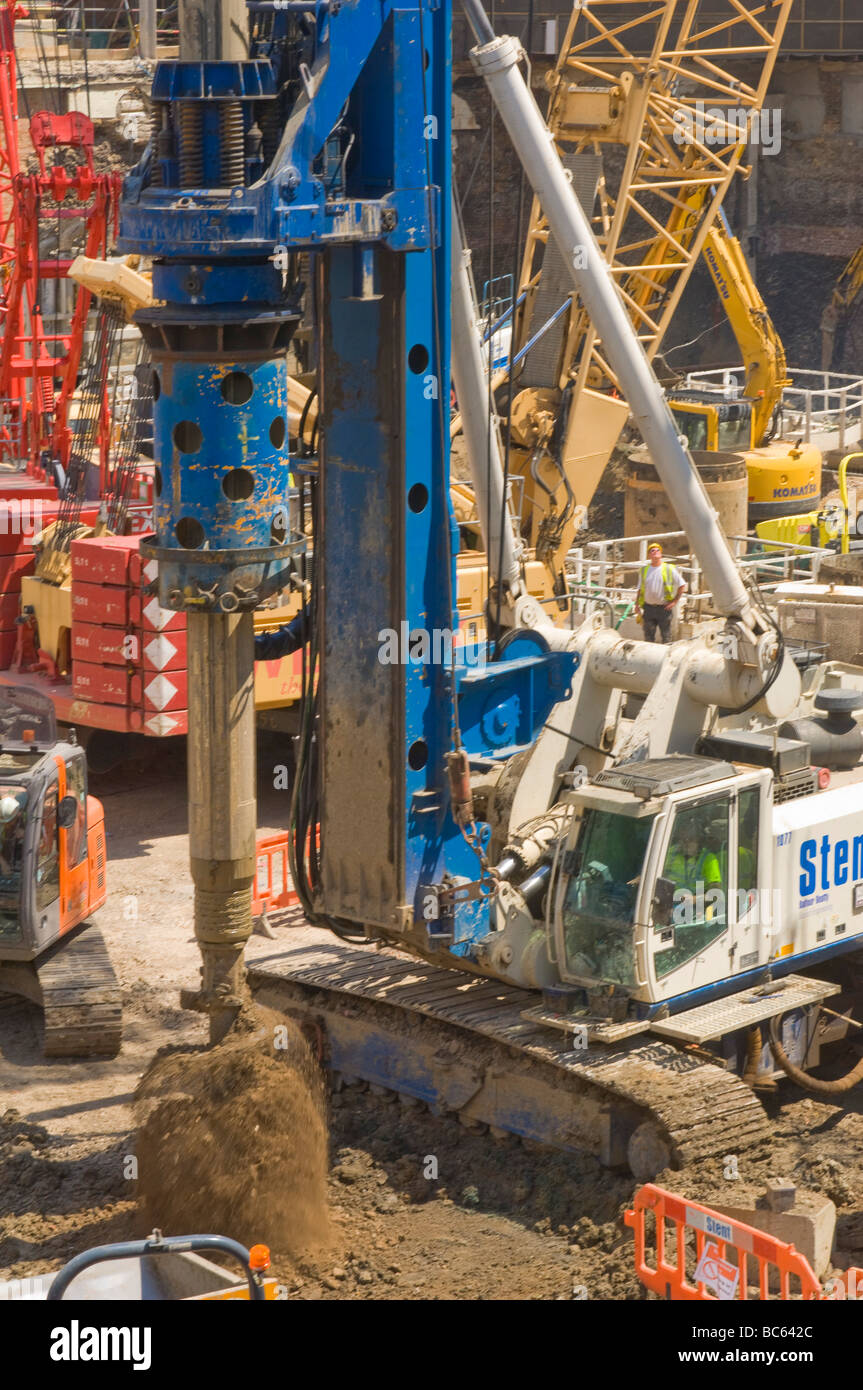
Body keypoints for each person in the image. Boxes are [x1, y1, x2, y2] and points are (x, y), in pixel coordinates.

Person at [635, 542, 687, 643]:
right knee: (648, 637)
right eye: (652, 550)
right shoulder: (644, 570)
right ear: (649, 555)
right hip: (648, 608)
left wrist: (675, 601)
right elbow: (640, 589)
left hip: (663, 609)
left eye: (657, 550)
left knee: (666, 636)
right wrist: (637, 604)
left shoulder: (669, 569)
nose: (655, 552)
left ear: (661, 554)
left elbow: (682, 585)